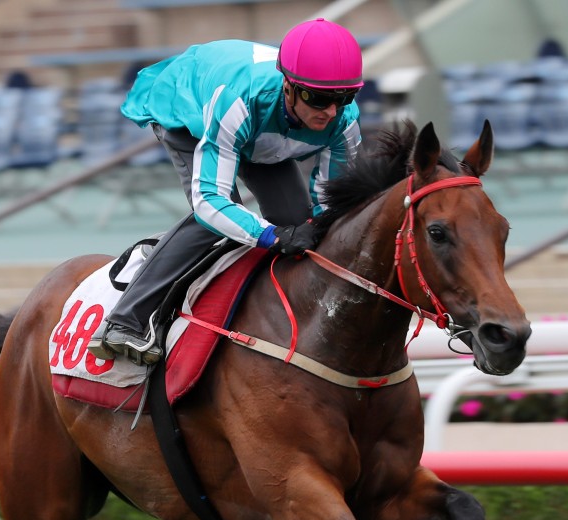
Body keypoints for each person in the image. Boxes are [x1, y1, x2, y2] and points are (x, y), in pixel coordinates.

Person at [88, 18, 364, 366]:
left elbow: (331, 202)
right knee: (219, 218)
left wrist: (304, 229)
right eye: (319, 98)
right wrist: (269, 236)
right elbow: (210, 202)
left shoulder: (343, 119)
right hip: (189, 110)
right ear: (289, 86)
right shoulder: (239, 102)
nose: (331, 112)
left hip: (260, 130)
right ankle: (125, 320)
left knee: (299, 221)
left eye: (345, 97)